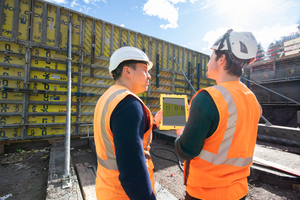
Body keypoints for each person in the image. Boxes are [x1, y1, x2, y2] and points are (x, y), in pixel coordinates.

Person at [174, 29, 262, 200]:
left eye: (210, 57)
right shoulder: (253, 100)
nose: (207, 62)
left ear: (221, 59)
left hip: (206, 193)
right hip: (238, 192)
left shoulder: (207, 98)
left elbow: (186, 151)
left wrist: (181, 132)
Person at [94, 46, 162, 200]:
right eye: (144, 69)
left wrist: (154, 123)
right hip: (124, 195)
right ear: (127, 71)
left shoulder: (109, 97)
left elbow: (120, 136)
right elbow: (133, 170)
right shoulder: (129, 104)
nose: (149, 76)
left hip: (107, 188)